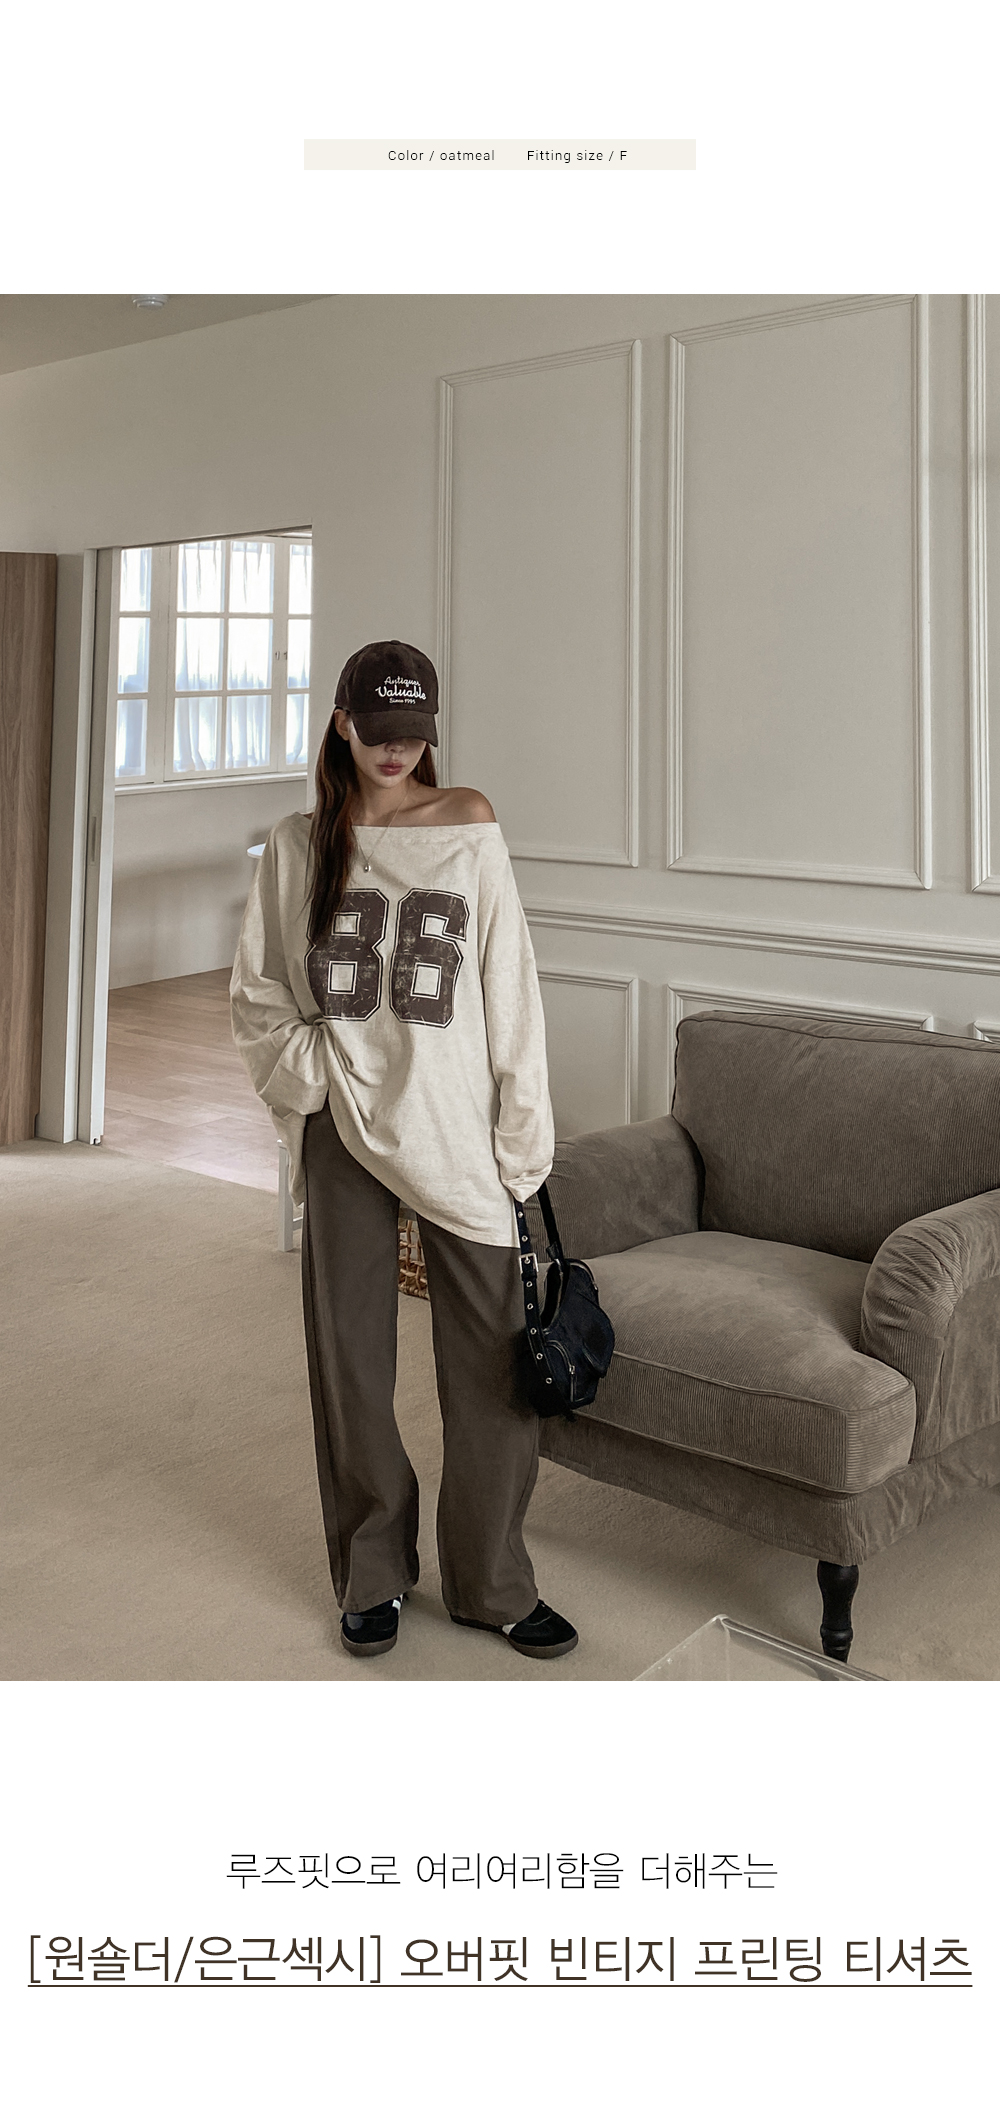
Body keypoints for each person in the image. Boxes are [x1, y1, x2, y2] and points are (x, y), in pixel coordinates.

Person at [230, 640, 578, 1662]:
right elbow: (259, 990)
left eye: (413, 735)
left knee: (493, 1363)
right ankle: (373, 1571)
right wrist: (314, 1071)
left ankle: (492, 1583)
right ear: (343, 723)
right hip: (342, 1124)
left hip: (455, 1123)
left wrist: (523, 1134)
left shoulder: (467, 823)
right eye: (378, 733)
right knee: (351, 1362)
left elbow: (510, 983)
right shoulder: (299, 844)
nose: (396, 753)